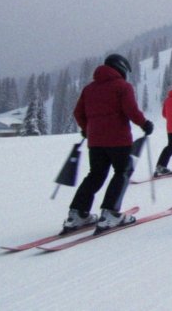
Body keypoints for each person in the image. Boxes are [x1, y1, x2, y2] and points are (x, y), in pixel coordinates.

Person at [64, 54, 154, 234]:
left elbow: (78, 112)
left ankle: (77, 214)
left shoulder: (89, 88)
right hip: (118, 139)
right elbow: (130, 110)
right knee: (122, 172)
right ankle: (110, 213)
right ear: (120, 68)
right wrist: (145, 124)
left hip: (95, 141)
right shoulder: (122, 86)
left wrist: (86, 128)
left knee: (95, 175)